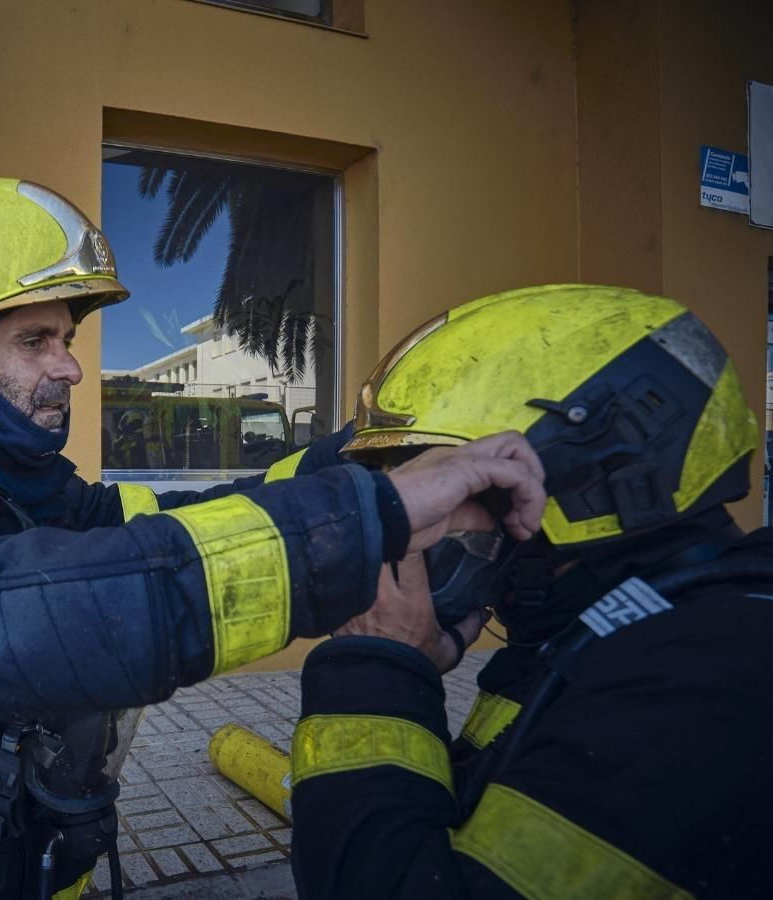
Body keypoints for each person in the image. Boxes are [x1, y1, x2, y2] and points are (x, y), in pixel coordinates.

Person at [0, 178, 547, 899]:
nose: (70, 369)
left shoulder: (46, 498)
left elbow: (198, 517)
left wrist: (366, 459)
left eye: (67, 340)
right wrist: (358, 524)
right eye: (34, 341)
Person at [287, 285, 773, 898]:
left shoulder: (706, 683)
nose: (414, 527)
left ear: (593, 488)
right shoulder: (599, 630)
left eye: (454, 490)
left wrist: (374, 676)